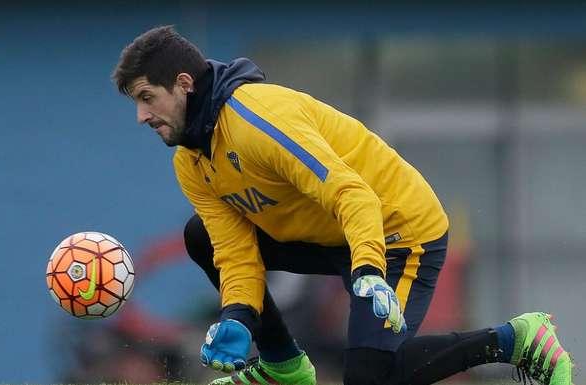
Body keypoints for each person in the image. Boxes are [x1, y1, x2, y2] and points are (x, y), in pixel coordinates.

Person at [111, 25, 572, 385]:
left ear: (185, 84)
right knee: (201, 235)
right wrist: (238, 316)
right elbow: (234, 250)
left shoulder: (256, 119)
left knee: (370, 377)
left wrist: (369, 270)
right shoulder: (191, 162)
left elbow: (352, 194)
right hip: (332, 237)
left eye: (147, 98)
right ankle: (283, 366)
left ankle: (516, 339)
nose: (141, 116)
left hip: (398, 234)